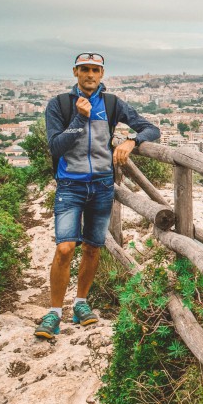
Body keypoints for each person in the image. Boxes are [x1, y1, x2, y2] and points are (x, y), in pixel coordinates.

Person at [35, 52, 160, 339]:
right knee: (65, 247)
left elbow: (152, 129)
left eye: (95, 70)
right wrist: (80, 119)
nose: (90, 75)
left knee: (92, 247)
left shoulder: (112, 104)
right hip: (70, 185)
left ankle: (81, 303)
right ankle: (54, 312)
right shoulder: (60, 105)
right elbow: (56, 146)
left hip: (102, 185)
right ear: (75, 72)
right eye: (84, 69)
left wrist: (132, 140)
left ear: (102, 74)